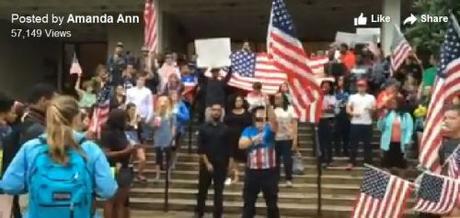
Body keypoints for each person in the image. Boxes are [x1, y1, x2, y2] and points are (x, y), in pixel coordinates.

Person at [0, 96, 118, 218]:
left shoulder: (31, 148)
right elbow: (108, 190)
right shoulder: (90, 149)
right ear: (77, 118)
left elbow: (9, 185)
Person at [239, 101, 279, 218]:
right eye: (258, 119)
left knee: (272, 205)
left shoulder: (269, 129)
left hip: (269, 172)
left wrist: (268, 106)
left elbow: (275, 122)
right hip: (252, 172)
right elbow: (241, 144)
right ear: (253, 119)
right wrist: (254, 139)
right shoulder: (248, 130)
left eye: (263, 118)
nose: (260, 121)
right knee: (248, 204)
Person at [195, 103, 231, 218]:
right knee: (202, 191)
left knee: (218, 192)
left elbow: (229, 149)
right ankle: (199, 212)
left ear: (221, 112)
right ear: (210, 112)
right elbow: (201, 148)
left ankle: (217, 214)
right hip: (206, 164)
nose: (216, 112)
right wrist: (207, 163)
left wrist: (230, 166)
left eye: (218, 110)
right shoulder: (203, 128)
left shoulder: (225, 129)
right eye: (214, 110)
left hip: (221, 164)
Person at [101, 109, 135, 218]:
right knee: (111, 201)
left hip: (124, 167)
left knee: (120, 203)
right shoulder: (108, 133)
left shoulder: (121, 132)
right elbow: (106, 153)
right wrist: (125, 151)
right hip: (113, 168)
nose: (126, 122)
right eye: (125, 119)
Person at [377, 96, 413, 175]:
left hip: (401, 144)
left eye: (394, 102)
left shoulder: (406, 116)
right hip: (388, 144)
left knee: (401, 166)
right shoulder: (388, 115)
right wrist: (381, 118)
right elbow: (380, 128)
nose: (393, 104)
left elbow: (409, 130)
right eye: (392, 103)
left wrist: (407, 141)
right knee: (386, 165)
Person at [346, 80, 376, 170]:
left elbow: (375, 108)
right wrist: (353, 113)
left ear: (366, 87)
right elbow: (348, 109)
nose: (361, 87)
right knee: (353, 144)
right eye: (359, 86)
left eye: (362, 86)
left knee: (367, 144)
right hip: (355, 123)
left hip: (367, 123)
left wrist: (371, 109)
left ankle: (368, 163)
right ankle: (351, 162)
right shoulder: (352, 97)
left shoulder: (371, 97)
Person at [223, 95, 252, 185]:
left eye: (240, 100)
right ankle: (236, 176)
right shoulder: (229, 113)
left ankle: (248, 176)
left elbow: (250, 125)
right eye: (236, 101)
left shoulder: (247, 114)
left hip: (244, 138)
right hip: (231, 138)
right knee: (234, 158)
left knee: (246, 157)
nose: (238, 102)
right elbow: (225, 123)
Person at [273, 92, 298, 186]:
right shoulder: (273, 110)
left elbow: (294, 124)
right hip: (276, 138)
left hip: (287, 138)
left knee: (287, 159)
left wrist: (295, 139)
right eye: (275, 98)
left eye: (278, 98)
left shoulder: (291, 109)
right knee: (275, 160)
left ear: (283, 99)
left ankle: (289, 178)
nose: (276, 100)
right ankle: (276, 178)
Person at [152, 95, 176, 181]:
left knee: (168, 157)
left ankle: (168, 176)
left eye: (165, 101)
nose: (163, 103)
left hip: (168, 137)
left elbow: (173, 127)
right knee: (158, 157)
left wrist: (173, 139)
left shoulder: (171, 114)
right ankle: (157, 175)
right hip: (158, 137)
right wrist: (158, 116)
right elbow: (154, 127)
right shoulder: (155, 114)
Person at [126, 72, 154, 140]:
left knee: (143, 136)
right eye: (139, 79)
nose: (141, 81)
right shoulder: (130, 91)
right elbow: (127, 103)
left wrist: (149, 117)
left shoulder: (148, 91)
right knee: (133, 136)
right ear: (136, 80)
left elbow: (150, 105)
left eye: (142, 80)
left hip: (143, 117)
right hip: (132, 117)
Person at [125, 103, 147, 182]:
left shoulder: (137, 118)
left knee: (142, 159)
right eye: (132, 110)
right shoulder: (124, 119)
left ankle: (139, 174)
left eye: (134, 110)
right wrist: (134, 121)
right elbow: (127, 127)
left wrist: (139, 123)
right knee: (130, 160)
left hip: (137, 140)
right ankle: (130, 175)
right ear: (127, 110)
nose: (133, 111)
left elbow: (140, 131)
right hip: (127, 141)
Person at [318, 80, 337, 168]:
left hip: (329, 120)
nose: (325, 87)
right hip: (319, 120)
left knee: (328, 141)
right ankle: (322, 159)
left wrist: (324, 109)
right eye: (324, 85)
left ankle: (329, 159)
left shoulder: (332, 97)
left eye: (327, 85)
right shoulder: (318, 97)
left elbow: (332, 109)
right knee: (320, 142)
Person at [169, 91, 190, 169]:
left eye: (175, 95)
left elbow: (187, 117)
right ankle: (168, 160)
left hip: (179, 129)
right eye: (172, 95)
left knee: (176, 147)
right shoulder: (167, 104)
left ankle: (173, 162)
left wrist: (178, 113)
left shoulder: (181, 105)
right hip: (167, 129)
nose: (174, 97)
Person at [334, 76, 350, 156]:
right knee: (337, 134)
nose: (341, 81)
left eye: (342, 80)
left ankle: (345, 150)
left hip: (346, 114)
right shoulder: (335, 91)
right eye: (339, 80)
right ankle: (337, 151)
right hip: (337, 114)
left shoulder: (348, 91)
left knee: (346, 134)